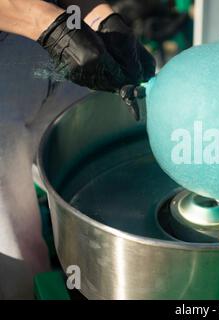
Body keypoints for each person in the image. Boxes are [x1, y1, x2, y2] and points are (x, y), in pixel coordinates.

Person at [0, 0, 155, 299]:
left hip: (50, 43)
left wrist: (97, 15)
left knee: (111, 190)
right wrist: (42, 22)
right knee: (20, 265)